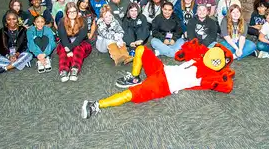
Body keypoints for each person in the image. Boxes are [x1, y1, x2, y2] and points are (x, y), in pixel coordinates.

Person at [81, 40, 235, 119]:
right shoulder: (199, 58)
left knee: (130, 94)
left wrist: (224, 74)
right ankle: (135, 77)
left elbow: (226, 86)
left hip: (163, 85)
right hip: (162, 69)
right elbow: (183, 52)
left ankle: (96, 105)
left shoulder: (208, 76)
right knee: (141, 49)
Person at [0, 11, 33, 76]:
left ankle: (5, 68)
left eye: (14, 19)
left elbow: (24, 45)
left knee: (29, 55)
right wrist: (9, 56)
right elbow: (1, 48)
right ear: (6, 21)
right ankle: (21, 63)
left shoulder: (23, 29)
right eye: (9, 19)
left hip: (19, 53)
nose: (11, 21)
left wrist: (16, 55)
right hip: (7, 54)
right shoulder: (2, 31)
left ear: (17, 19)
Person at [57, 3, 92, 82]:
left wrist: (70, 49)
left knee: (78, 48)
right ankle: (64, 70)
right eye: (70, 12)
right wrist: (68, 50)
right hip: (66, 43)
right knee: (63, 49)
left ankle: (74, 69)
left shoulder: (83, 21)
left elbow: (80, 38)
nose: (72, 14)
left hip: (82, 43)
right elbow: (63, 38)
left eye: (74, 11)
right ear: (66, 12)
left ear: (77, 11)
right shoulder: (62, 22)